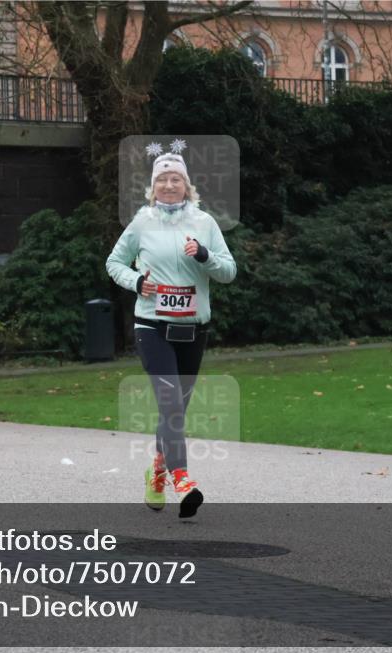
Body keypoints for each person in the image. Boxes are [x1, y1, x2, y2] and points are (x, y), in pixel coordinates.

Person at [106, 146, 237, 518]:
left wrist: (205, 257)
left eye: (175, 178)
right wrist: (135, 281)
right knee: (170, 404)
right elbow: (114, 262)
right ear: (152, 186)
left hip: (194, 329)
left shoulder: (205, 223)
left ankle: (157, 472)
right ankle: (183, 480)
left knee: (176, 410)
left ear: (186, 185)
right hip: (151, 325)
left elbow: (229, 271)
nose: (168, 185)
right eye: (161, 179)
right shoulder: (141, 222)